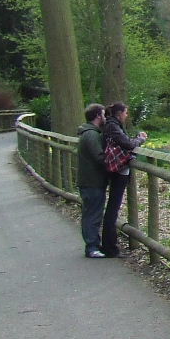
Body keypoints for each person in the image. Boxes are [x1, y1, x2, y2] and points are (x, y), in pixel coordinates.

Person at [100, 101, 148, 258]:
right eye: (126, 113)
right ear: (120, 113)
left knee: (113, 207)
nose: (127, 116)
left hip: (116, 170)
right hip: (118, 171)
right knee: (113, 208)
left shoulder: (111, 125)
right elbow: (127, 143)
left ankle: (109, 245)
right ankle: (110, 247)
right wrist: (140, 139)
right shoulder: (113, 126)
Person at [77, 103, 108, 258]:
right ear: (97, 116)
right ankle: (92, 247)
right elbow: (99, 157)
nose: (105, 117)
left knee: (92, 213)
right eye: (103, 114)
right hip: (92, 181)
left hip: (90, 180)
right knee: (92, 214)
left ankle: (93, 244)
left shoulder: (90, 133)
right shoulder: (91, 135)